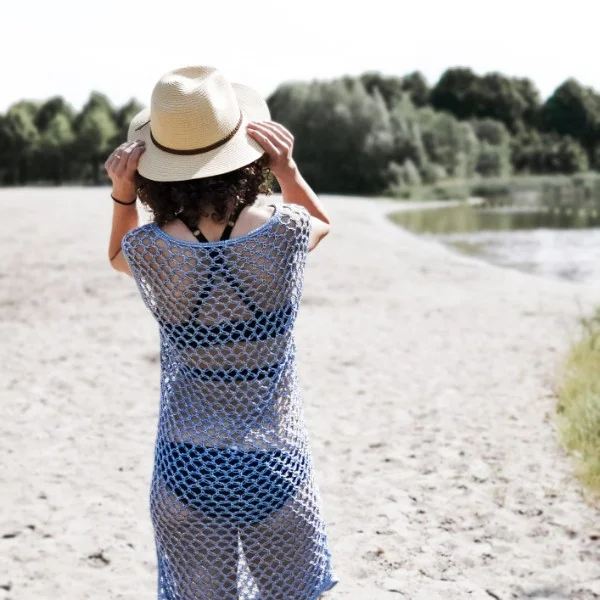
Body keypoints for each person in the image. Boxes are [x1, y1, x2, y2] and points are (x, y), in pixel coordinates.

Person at [105, 65, 339, 600]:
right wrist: (287, 169)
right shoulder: (285, 231)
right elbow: (321, 221)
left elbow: (118, 256)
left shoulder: (152, 249)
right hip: (271, 458)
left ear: (157, 169)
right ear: (243, 151)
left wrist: (122, 195)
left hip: (187, 461)